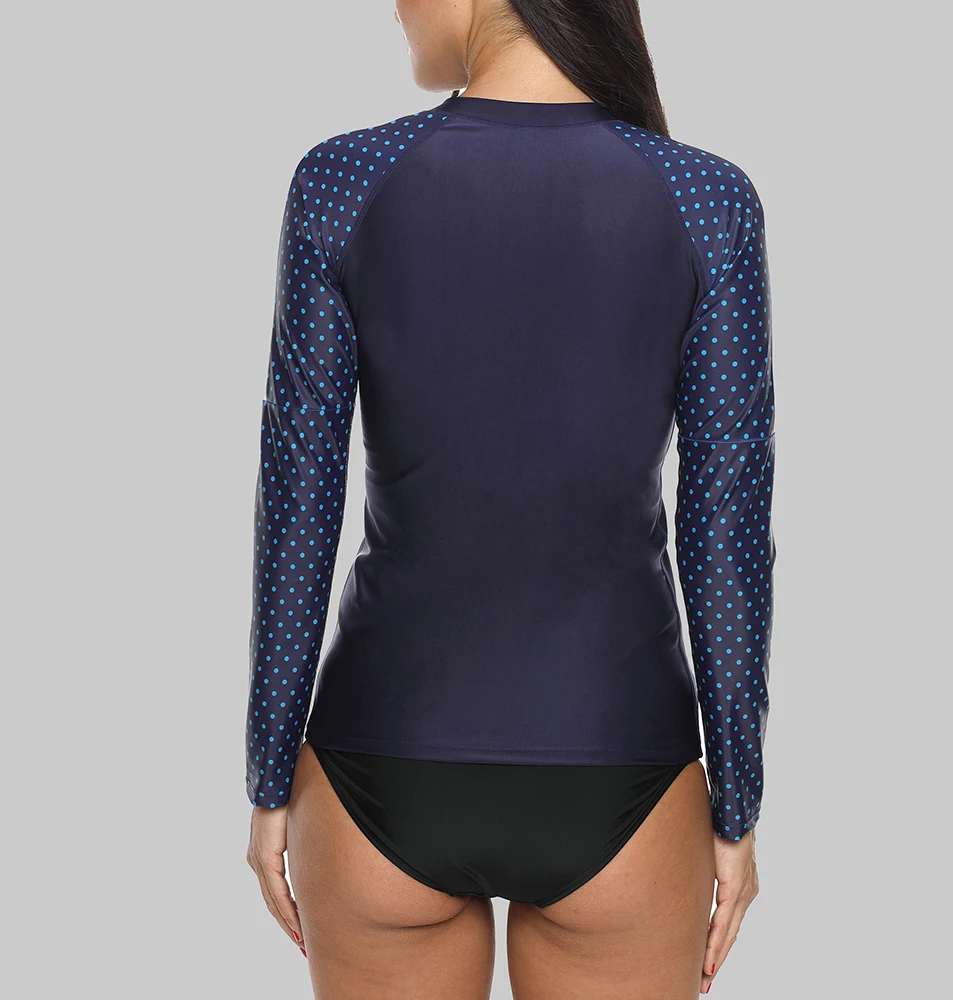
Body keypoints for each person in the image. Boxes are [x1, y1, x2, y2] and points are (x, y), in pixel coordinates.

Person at [244, 1, 775, 996]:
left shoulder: (344, 180)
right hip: (621, 771)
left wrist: (270, 777)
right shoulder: (705, 198)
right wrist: (737, 803)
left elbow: (298, 504)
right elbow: (726, 524)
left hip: (375, 771)